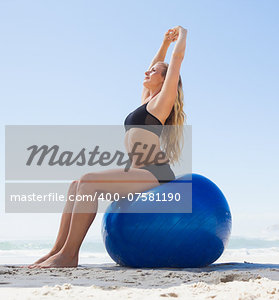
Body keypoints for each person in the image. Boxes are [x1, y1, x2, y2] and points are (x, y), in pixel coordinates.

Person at [28, 26, 187, 268]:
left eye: (154, 71)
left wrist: (182, 35)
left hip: (155, 174)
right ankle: (57, 250)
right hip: (139, 173)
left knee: (89, 181)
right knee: (76, 185)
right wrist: (164, 43)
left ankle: (70, 255)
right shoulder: (146, 99)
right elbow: (157, 63)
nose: (147, 71)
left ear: (165, 80)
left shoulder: (163, 101)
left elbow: (175, 61)